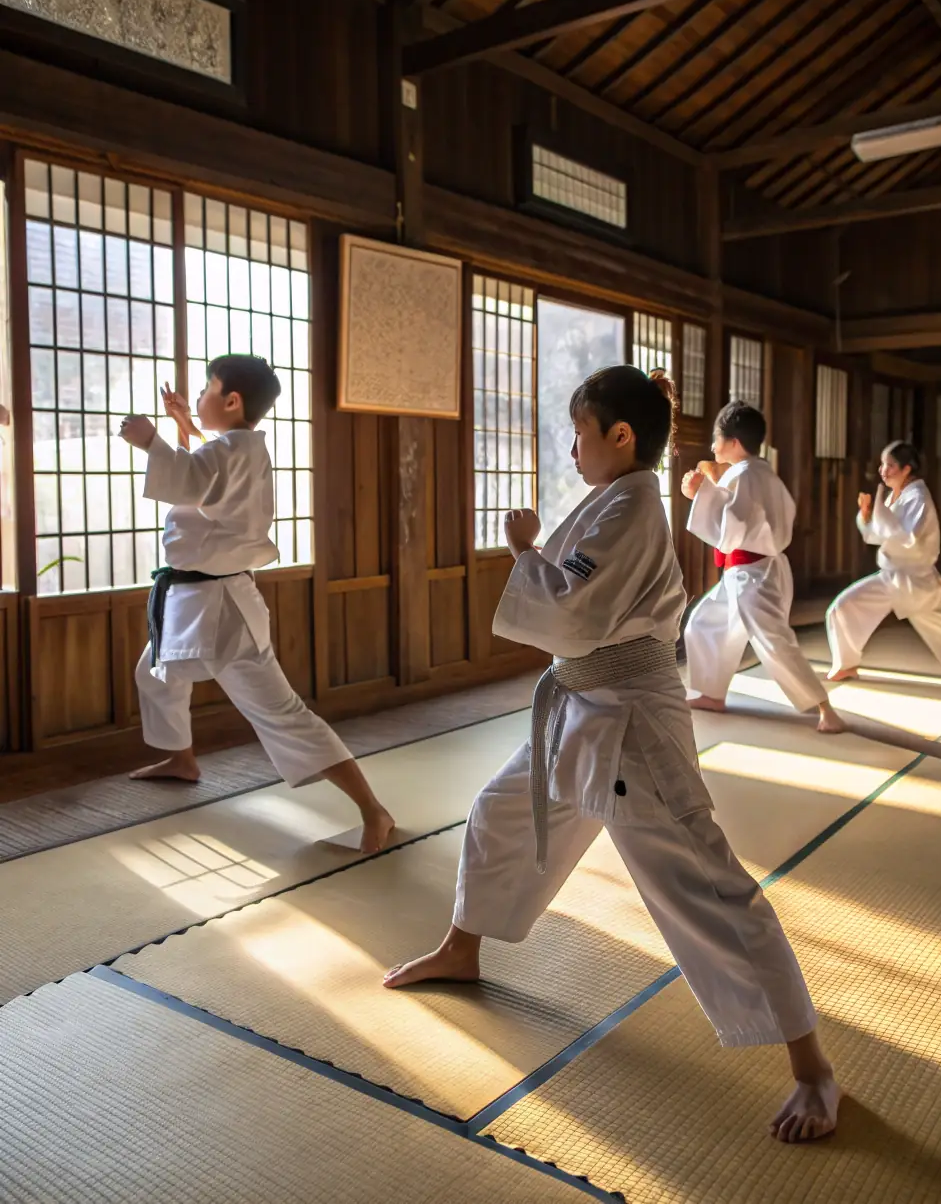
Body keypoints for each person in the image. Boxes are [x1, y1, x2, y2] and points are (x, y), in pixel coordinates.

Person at [383, 366, 840, 1144]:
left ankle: (813, 1068)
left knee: (705, 886)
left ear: (620, 436)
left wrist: (524, 549)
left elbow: (571, 615)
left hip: (631, 722)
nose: (572, 448)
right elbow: (579, 605)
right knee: (500, 810)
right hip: (582, 705)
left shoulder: (633, 507)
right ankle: (462, 946)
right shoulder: (621, 496)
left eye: (582, 430)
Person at [118, 354, 394, 855]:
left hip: (220, 608)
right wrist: (182, 426)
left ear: (231, 400)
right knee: (156, 671)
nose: (197, 396)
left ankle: (373, 810)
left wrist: (150, 440)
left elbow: (191, 479)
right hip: (195, 599)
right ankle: (182, 758)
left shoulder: (226, 453)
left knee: (281, 713)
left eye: (207, 388)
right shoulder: (237, 449)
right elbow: (198, 484)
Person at [682, 401, 844, 734]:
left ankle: (826, 708)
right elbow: (740, 514)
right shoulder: (759, 472)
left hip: (754, 576)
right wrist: (707, 492)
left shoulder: (745, 475)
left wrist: (701, 494)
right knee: (702, 624)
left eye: (717, 438)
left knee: (774, 642)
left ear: (734, 443)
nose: (713, 446)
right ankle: (711, 694)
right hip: (751, 572)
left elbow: (733, 525)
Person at [826, 440, 941, 687]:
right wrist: (868, 515)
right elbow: (880, 533)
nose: (883, 471)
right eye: (882, 465)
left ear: (906, 469)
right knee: (842, 607)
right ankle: (846, 665)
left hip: (916, 581)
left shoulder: (918, 497)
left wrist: (877, 517)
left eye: (890, 465)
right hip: (892, 577)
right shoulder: (895, 496)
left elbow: (906, 537)